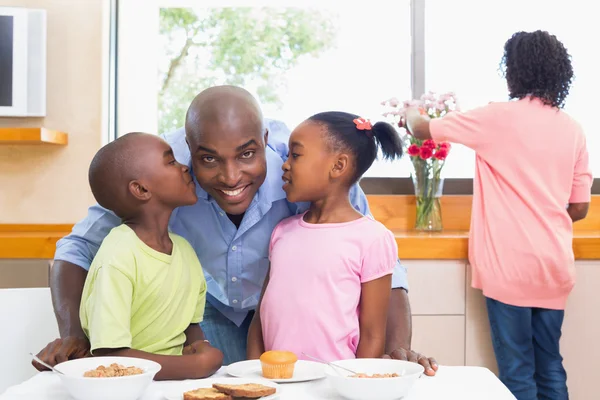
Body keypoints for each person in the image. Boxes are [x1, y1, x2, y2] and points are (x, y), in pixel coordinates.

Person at [34, 85, 437, 374]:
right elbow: (77, 248)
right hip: (205, 312)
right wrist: (73, 333)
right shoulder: (159, 168)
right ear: (189, 150)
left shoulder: (310, 167)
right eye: (208, 160)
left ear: (265, 141)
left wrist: (396, 348)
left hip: (291, 325)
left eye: (247, 154)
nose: (231, 177)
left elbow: (385, 273)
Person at [403, 30, 592, 399]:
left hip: (508, 265)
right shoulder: (573, 129)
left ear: (514, 71)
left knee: (517, 371)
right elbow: (580, 206)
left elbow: (423, 129)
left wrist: (412, 111)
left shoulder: (497, 118)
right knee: (550, 364)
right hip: (553, 264)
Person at [247, 112, 402, 361]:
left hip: (335, 386)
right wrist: (256, 376)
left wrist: (356, 386)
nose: (285, 164)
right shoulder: (282, 232)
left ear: (338, 166)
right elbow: (259, 320)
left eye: (295, 155)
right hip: (278, 384)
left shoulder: (372, 238)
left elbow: (373, 335)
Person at [78, 132, 222, 380]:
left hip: (174, 387)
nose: (185, 167)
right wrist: (195, 366)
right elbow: (109, 356)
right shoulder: (118, 255)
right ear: (142, 189)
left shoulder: (185, 250)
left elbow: (190, 327)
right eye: (171, 162)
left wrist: (203, 348)